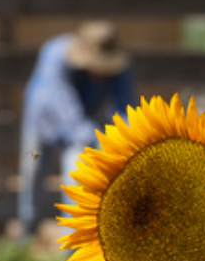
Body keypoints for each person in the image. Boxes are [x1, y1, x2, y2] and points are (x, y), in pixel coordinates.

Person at [17, 21, 138, 235]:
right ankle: (27, 232)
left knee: (77, 176)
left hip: (83, 126)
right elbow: (63, 108)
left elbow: (125, 108)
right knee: (33, 173)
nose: (100, 74)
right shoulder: (55, 56)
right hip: (44, 121)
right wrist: (99, 141)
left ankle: (72, 246)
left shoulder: (120, 67)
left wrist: (131, 143)